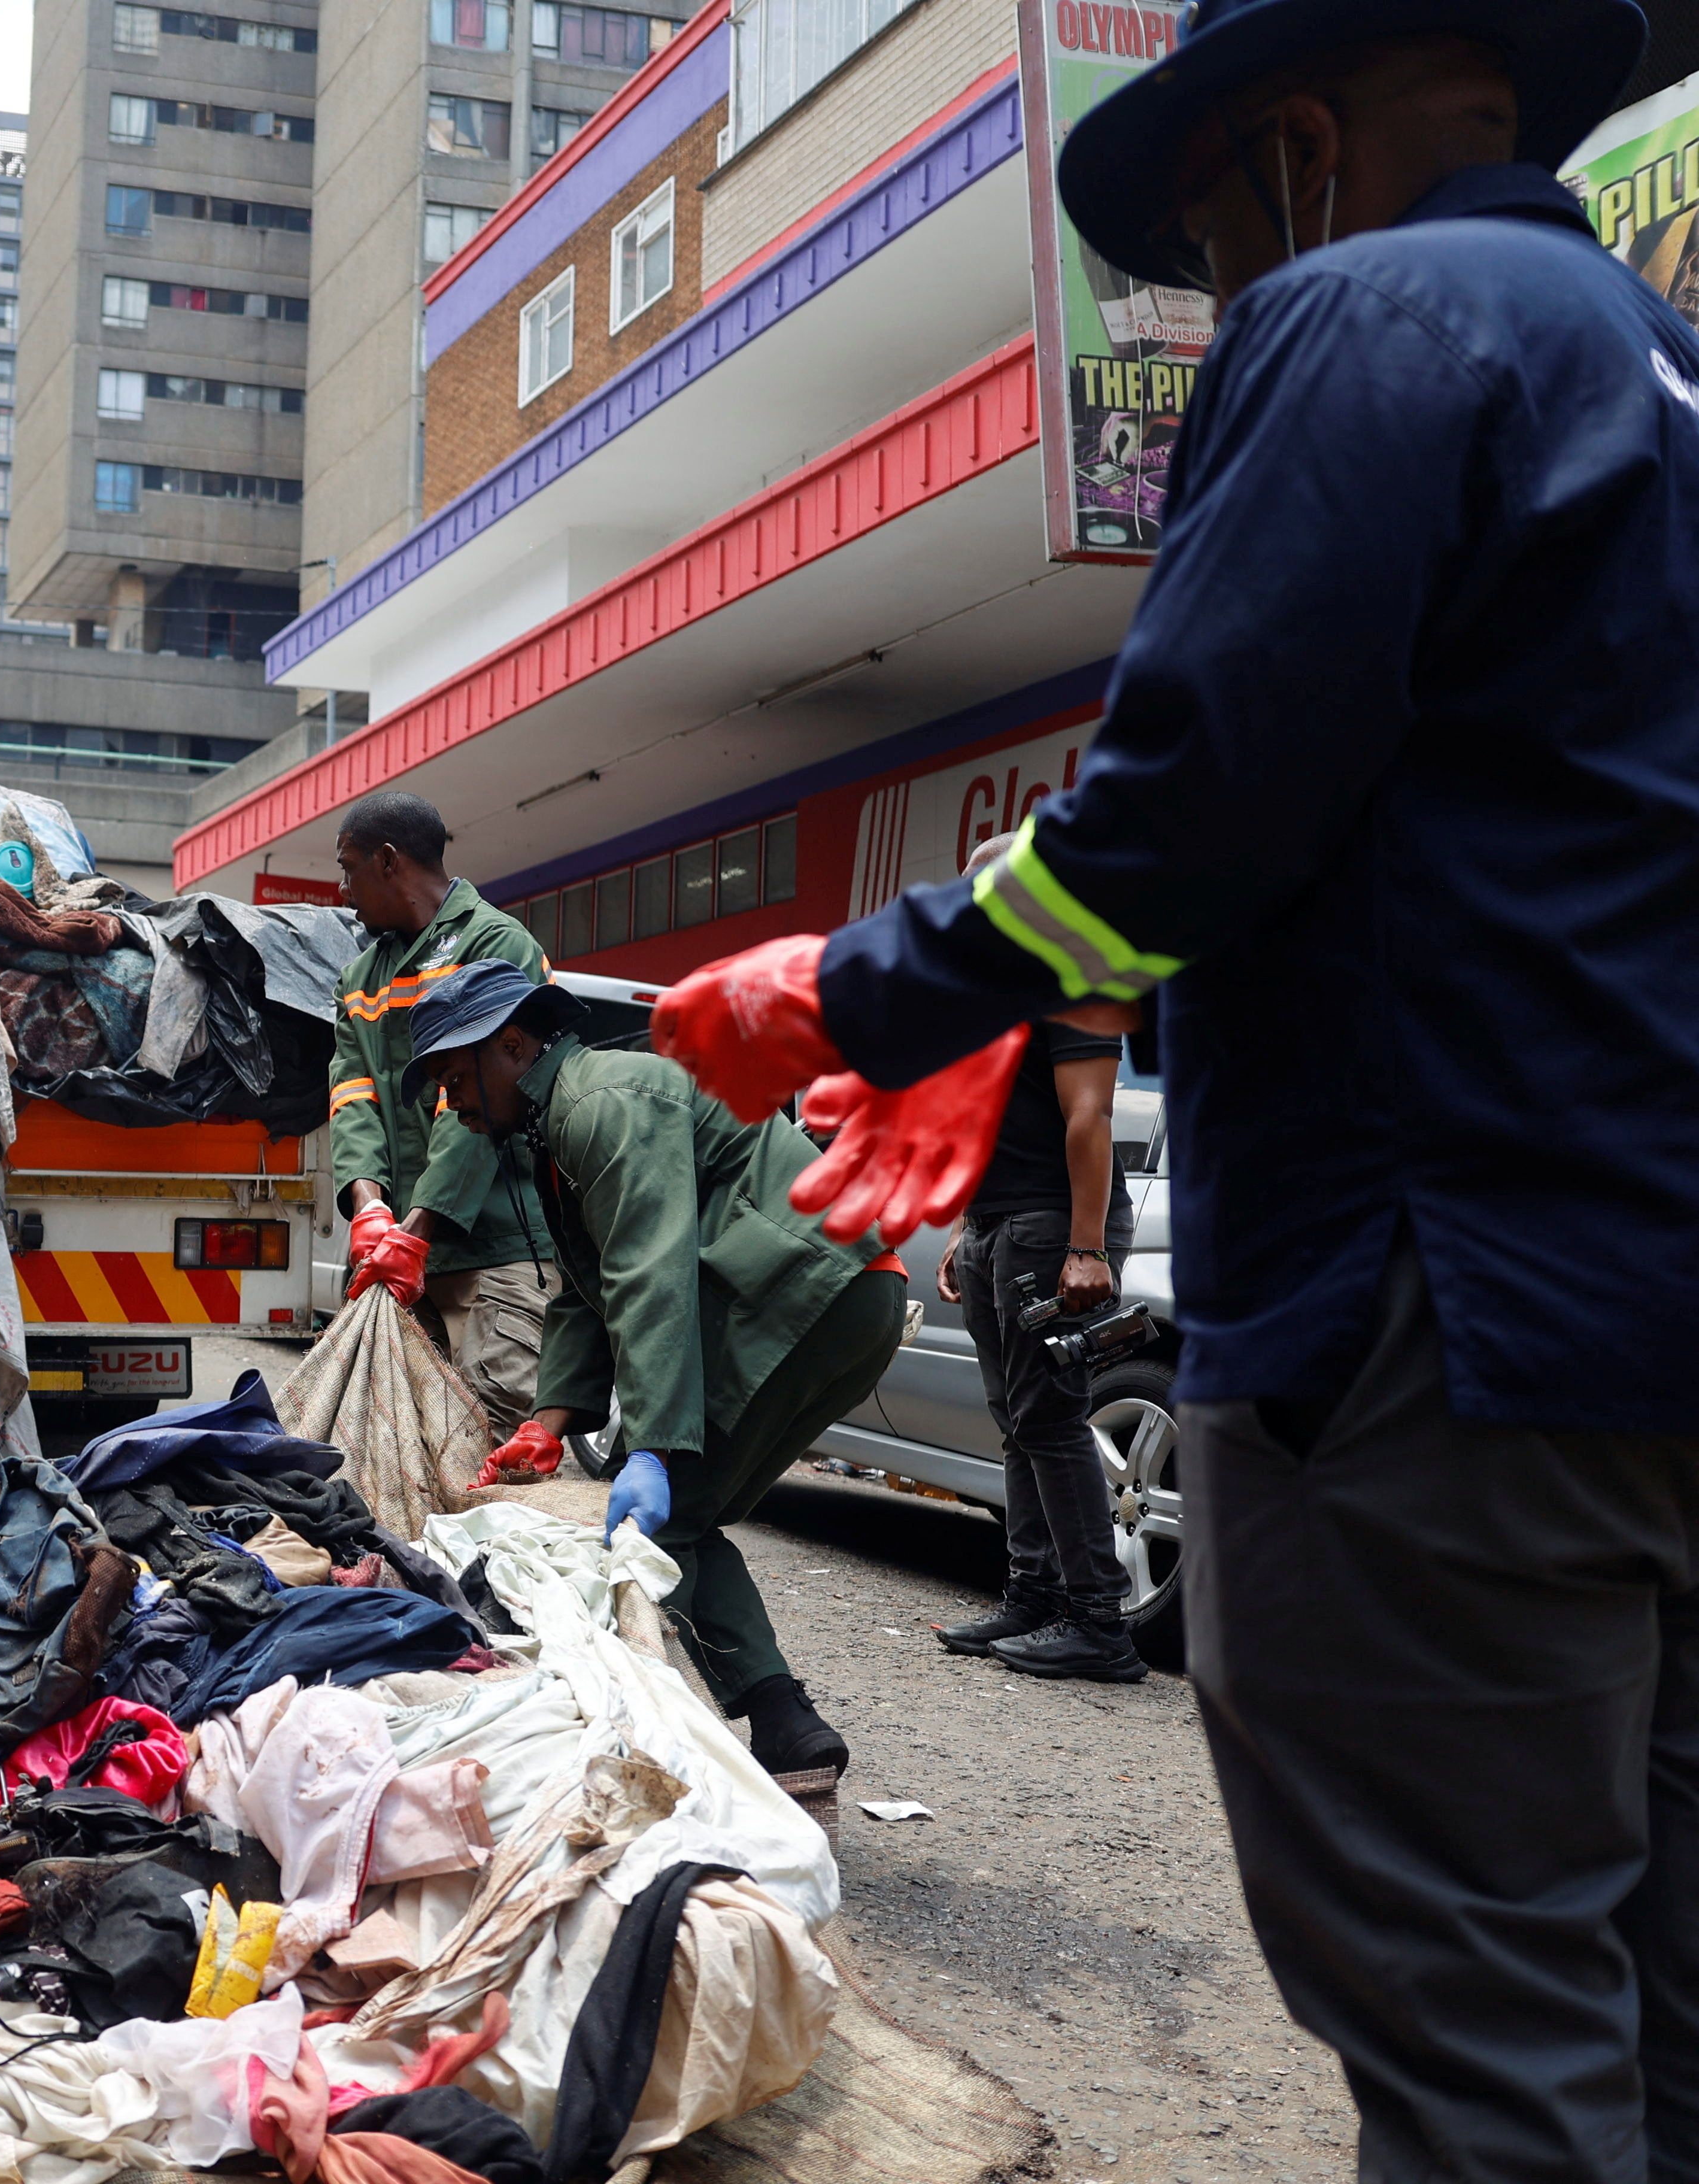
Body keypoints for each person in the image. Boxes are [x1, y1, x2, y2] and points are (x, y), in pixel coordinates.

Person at [646, 1, 1699, 2170]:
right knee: (1655, 2020)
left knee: (1479, 2021)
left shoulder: (1365, 309)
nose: (1217, 288)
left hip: (1444, 1319)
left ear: (1295, 146)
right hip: (1648, 1320)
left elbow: (1201, 796)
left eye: (1213, 232)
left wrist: (860, 989)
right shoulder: (1654, 378)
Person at [408, 959, 899, 1779]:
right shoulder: (565, 1119)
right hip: (835, 1290)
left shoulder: (600, 1106)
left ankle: (773, 1729)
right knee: (686, 1524)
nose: (452, 1103)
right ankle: (784, 1728)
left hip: (811, 1291)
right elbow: (587, 1288)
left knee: (662, 1528)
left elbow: (649, 1270)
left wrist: (653, 1447)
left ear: (516, 1048)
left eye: (458, 1078)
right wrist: (550, 1420)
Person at [925, 834, 1143, 1684]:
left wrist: (1088, 1246)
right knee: (1019, 1422)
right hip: (998, 1224)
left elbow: (1088, 1120)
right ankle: (1031, 1597)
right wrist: (962, 1230)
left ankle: (1099, 1623)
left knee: (1050, 1420)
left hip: (1055, 1226)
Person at [323, 791, 557, 1442]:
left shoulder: (496, 943)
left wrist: (417, 1231)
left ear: (390, 861)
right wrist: (369, 1207)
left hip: (495, 1249)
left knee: (494, 1435)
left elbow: (477, 1101)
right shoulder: (360, 977)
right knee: (394, 1443)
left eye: (350, 868)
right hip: (400, 1256)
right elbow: (353, 1094)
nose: (343, 891)